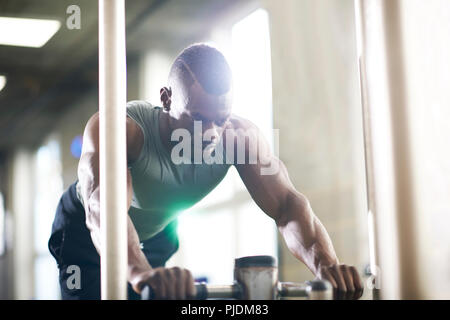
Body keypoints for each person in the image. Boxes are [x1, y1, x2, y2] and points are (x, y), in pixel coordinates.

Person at [48, 43, 363, 300]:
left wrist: (327, 268)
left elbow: (286, 206)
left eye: (220, 118)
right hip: (86, 230)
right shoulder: (123, 130)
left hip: (155, 235)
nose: (211, 133)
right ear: (166, 98)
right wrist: (140, 273)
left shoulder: (240, 138)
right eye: (198, 117)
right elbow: (104, 207)